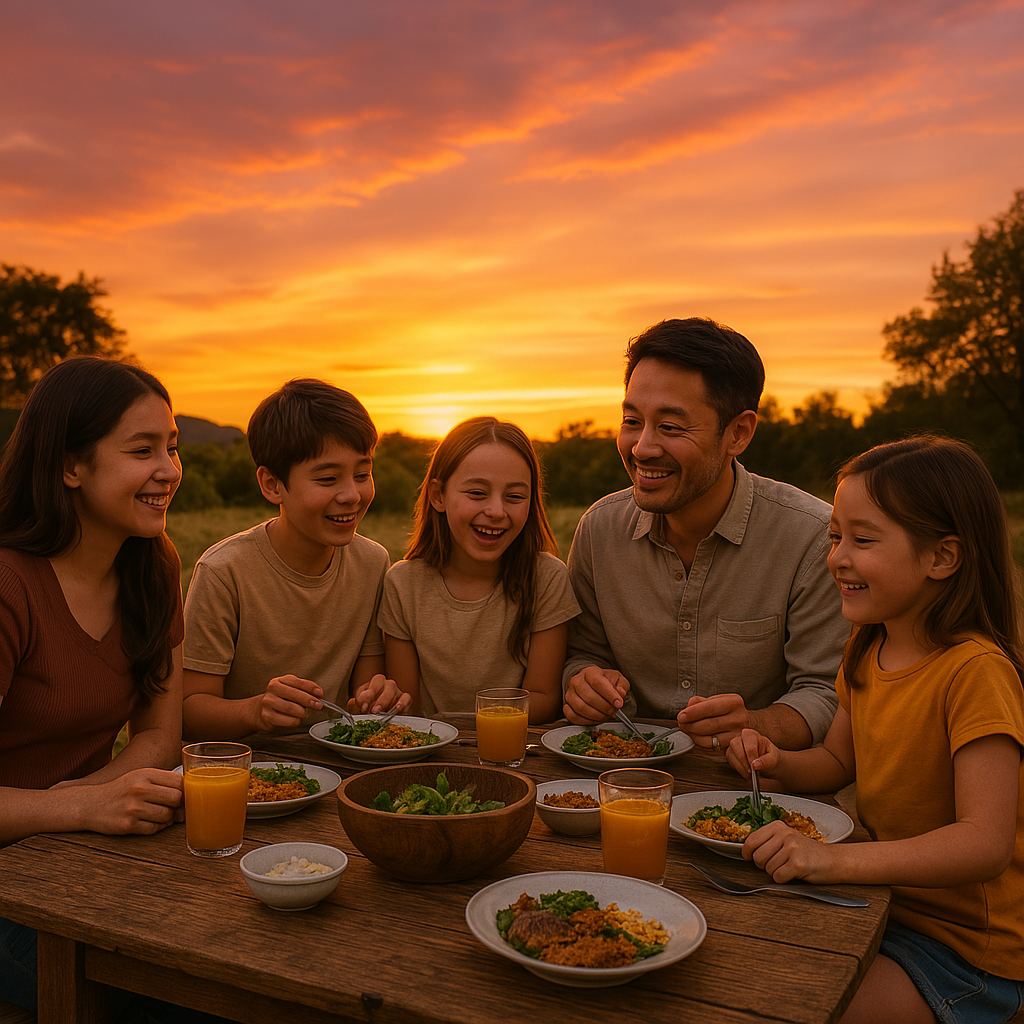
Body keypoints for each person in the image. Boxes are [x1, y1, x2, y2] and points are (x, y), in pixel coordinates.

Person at [731, 436, 1024, 1024]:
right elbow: (838, 764)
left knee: (809, 1007)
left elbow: (985, 842)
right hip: (879, 906)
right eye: (835, 536)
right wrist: (776, 761)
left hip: (966, 951)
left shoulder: (975, 673)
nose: (837, 557)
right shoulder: (868, 647)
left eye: (863, 540)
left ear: (943, 557)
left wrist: (830, 862)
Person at [0, 357, 189, 1015]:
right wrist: (79, 808)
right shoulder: (10, 585)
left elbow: (162, 733)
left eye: (171, 447)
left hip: (77, 864)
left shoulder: (155, 566)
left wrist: (89, 799)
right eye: (142, 451)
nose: (168, 470)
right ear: (71, 466)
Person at [563, 317, 846, 752]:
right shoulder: (599, 531)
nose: (642, 447)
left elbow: (827, 693)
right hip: (621, 776)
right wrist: (584, 683)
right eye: (632, 420)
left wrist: (753, 724)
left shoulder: (812, 540)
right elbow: (582, 654)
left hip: (756, 795)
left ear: (738, 433)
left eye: (671, 427)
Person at [181, 379, 405, 742]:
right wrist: (256, 710)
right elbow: (189, 710)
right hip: (249, 771)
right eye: (328, 479)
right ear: (272, 485)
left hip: (337, 761)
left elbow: (362, 686)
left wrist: (373, 697)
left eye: (362, 474)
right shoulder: (224, 572)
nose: (351, 494)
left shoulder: (372, 562)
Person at [378, 416, 580, 722]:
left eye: (514, 497)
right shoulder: (403, 584)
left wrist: (465, 726)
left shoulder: (547, 578)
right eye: (476, 493)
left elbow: (543, 699)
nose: (496, 511)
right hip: (431, 753)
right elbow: (409, 709)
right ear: (438, 495)